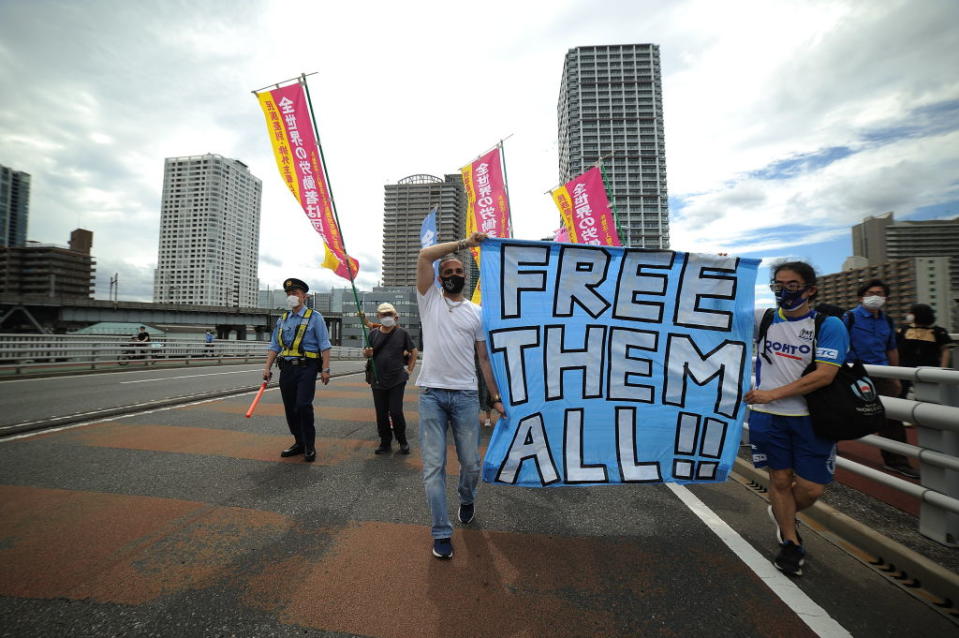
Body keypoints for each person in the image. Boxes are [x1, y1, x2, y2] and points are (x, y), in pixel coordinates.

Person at [746, 261, 849, 577]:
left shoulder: (828, 325)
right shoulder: (763, 318)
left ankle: (782, 511)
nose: (783, 291)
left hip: (811, 418)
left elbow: (825, 375)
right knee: (778, 480)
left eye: (792, 285)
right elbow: (714, 310)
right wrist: (723, 273)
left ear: (810, 289)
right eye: (778, 284)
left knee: (810, 489)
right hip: (768, 418)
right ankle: (791, 543)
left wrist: (773, 394)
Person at [416, 231, 503, 560]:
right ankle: (441, 531)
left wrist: (493, 397)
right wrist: (465, 245)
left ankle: (466, 498)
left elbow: (484, 359)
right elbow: (425, 255)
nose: (453, 275)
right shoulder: (429, 299)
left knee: (471, 465)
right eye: (448, 272)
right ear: (439, 278)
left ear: (467, 277)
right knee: (433, 467)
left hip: (466, 396)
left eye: (458, 272)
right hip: (431, 396)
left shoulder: (476, 313)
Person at [843, 279, 917, 479]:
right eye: (870, 293)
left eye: (880, 293)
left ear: (886, 298)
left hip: (882, 373)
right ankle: (829, 449)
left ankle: (897, 461)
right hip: (855, 374)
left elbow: (891, 348)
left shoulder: (888, 320)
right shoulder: (849, 317)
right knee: (843, 413)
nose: (875, 296)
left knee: (892, 417)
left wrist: (896, 375)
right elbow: (839, 344)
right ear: (861, 297)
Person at [261, 278, 332, 463]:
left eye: (295, 293)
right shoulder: (283, 319)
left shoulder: (315, 317)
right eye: (289, 294)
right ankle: (299, 442)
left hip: (307, 367)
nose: (292, 296)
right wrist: (267, 367)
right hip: (287, 369)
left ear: (304, 296)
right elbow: (274, 345)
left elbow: (325, 345)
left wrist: (326, 369)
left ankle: (309, 444)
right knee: (290, 408)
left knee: (303, 405)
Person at [363, 302, 418, 455]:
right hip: (377, 379)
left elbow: (413, 351)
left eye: (390, 314)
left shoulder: (402, 333)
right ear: (378, 316)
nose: (387, 317)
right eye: (384, 314)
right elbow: (366, 352)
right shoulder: (373, 334)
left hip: (397, 379)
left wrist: (410, 370)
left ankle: (402, 441)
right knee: (381, 413)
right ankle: (385, 442)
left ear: (395, 316)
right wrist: (366, 353)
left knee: (395, 411)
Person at [897, 303, 954, 397]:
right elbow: (895, 348)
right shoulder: (903, 330)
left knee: (928, 396)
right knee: (901, 394)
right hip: (904, 368)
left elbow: (945, 350)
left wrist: (942, 369)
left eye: (911, 313)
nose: (908, 315)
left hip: (929, 369)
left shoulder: (938, 331)